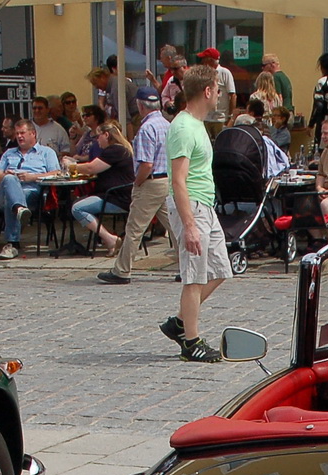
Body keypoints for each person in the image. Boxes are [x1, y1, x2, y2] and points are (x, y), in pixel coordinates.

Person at [162, 64, 230, 363]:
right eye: (217, 89)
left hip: (205, 205)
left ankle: (179, 322)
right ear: (206, 91)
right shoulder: (183, 127)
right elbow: (178, 180)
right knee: (194, 275)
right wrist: (189, 225)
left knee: (220, 269)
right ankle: (191, 341)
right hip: (193, 207)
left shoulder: (196, 124)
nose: (219, 95)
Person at [99, 89, 175, 286]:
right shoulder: (167, 125)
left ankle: (122, 270)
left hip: (150, 181)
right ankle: (188, 266)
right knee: (174, 227)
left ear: (141, 105)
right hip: (167, 179)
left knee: (134, 228)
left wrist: (137, 182)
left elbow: (146, 164)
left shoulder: (146, 128)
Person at [0, 119, 58, 260]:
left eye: (23, 133)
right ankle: (20, 209)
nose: (19, 136)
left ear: (33, 134)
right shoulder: (9, 153)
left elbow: (56, 173)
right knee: (9, 179)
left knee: (10, 201)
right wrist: (7, 174)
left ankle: (12, 243)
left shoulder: (46, 152)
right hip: (5, 191)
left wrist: (32, 177)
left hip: (32, 192)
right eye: (17, 133)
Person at [68, 120, 133, 257]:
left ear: (106, 135)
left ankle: (110, 239)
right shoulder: (122, 149)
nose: (97, 140)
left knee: (77, 208)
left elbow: (91, 167)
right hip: (118, 196)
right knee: (81, 202)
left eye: (98, 136)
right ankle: (108, 239)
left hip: (117, 198)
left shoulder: (114, 150)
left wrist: (71, 166)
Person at [196, 48, 234, 121]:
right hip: (206, 117)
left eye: (204, 58)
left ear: (210, 60)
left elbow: (232, 95)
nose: (202, 61)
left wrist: (230, 116)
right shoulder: (203, 73)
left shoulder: (225, 72)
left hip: (221, 117)